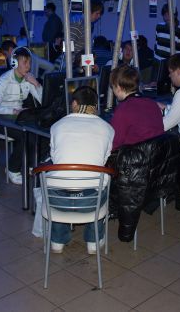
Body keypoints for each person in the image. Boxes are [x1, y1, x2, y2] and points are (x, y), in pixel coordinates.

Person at [48, 86, 114, 254]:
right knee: (102, 181)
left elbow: (55, 158)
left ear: (74, 104)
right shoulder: (108, 128)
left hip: (58, 200)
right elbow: (104, 160)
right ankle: (93, 241)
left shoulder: (56, 126)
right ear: (96, 106)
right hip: (90, 201)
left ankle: (57, 241)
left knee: (58, 180)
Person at [0, 47, 42, 184]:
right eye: (25, 63)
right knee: (26, 135)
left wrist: (36, 84)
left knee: (38, 132)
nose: (28, 66)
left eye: (29, 63)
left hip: (19, 118)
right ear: (15, 63)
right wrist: (13, 111)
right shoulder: (4, 80)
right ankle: (12, 169)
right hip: (1, 119)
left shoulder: (28, 78)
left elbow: (43, 100)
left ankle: (30, 165)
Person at [109, 65, 164, 150]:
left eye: (113, 87)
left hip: (135, 156)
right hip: (157, 155)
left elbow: (114, 144)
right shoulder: (153, 104)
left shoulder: (123, 109)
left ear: (118, 87)